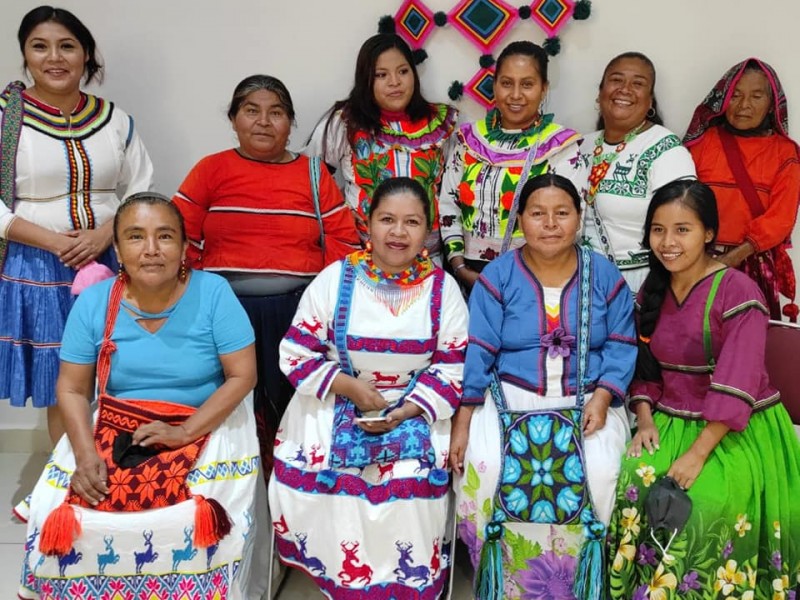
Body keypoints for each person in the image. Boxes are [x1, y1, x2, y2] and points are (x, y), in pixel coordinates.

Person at [16, 194, 261, 600]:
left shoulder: (214, 292)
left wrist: (184, 434)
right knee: (60, 508)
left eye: (164, 236)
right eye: (135, 237)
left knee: (198, 516)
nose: (150, 249)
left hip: (205, 418)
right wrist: (85, 454)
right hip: (116, 421)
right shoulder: (95, 302)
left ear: (184, 248)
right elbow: (73, 388)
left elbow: (241, 376)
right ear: (117, 250)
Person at [269, 177, 468, 599]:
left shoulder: (442, 289)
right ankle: (345, 582)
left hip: (415, 406)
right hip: (337, 397)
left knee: (411, 487)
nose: (398, 233)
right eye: (387, 220)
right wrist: (348, 387)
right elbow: (295, 354)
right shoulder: (334, 279)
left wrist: (406, 409)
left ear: (428, 231)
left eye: (411, 222)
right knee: (331, 477)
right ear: (368, 224)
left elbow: (453, 366)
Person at [607, 179, 800, 598]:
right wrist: (642, 420)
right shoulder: (652, 290)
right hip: (669, 419)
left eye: (683, 229)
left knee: (703, 508)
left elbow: (740, 378)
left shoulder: (738, 291)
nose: (668, 242)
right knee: (632, 485)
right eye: (658, 230)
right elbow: (646, 371)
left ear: (708, 233)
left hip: (733, 430)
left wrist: (697, 455)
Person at [450, 173, 636, 598]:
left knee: (603, 473)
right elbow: (479, 350)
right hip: (510, 395)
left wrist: (605, 395)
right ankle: (508, 585)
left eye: (561, 213)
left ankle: (582, 584)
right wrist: (464, 419)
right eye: (537, 213)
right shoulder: (497, 277)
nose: (550, 224)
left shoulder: (604, 276)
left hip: (590, 398)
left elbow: (624, 343)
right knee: (488, 468)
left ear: (579, 217)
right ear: (519, 221)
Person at [173, 74, 359, 477]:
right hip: (224, 311)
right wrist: (201, 286)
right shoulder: (211, 169)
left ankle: (287, 478)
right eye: (251, 111)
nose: (263, 121)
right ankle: (228, 476)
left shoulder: (313, 174)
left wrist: (319, 299)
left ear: (291, 123)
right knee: (230, 403)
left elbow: (344, 241)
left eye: (276, 113)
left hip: (295, 312)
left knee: (289, 402)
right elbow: (176, 234)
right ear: (234, 119)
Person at [0, 5, 153, 443]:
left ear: (86, 54)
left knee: (119, 373)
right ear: (25, 55)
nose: (55, 57)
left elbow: (142, 188)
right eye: (40, 46)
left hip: (113, 261)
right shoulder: (6, 118)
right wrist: (53, 241)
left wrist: (107, 233)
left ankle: (120, 478)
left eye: (67, 46)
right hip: (37, 266)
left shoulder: (115, 120)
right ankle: (66, 485)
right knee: (63, 383)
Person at [439, 41, 589, 290]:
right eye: (507, 83)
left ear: (544, 89)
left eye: (527, 84)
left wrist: (530, 278)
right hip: (471, 279)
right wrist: (460, 267)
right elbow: (447, 205)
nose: (516, 95)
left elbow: (573, 220)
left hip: (537, 279)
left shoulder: (561, 147)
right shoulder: (469, 141)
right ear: (495, 85)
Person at [305, 33, 458, 264]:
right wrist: (338, 225)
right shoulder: (345, 122)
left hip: (427, 256)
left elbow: (452, 188)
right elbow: (313, 178)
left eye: (403, 71)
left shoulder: (438, 124)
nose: (394, 82)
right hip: (362, 253)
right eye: (381, 75)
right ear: (366, 79)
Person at [684, 58, 800, 321]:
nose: (744, 105)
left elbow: (781, 219)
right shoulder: (703, 143)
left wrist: (731, 259)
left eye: (756, 96)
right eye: (735, 95)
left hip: (753, 263)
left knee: (748, 343)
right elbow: (680, 204)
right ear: (723, 99)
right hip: (697, 260)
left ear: (771, 104)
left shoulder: (785, 152)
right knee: (695, 340)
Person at [579, 52, 696, 292]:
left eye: (638, 83)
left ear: (650, 101)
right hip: (577, 279)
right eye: (616, 80)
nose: (625, 89)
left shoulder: (665, 148)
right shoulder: (580, 146)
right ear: (600, 93)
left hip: (640, 285)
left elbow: (686, 227)